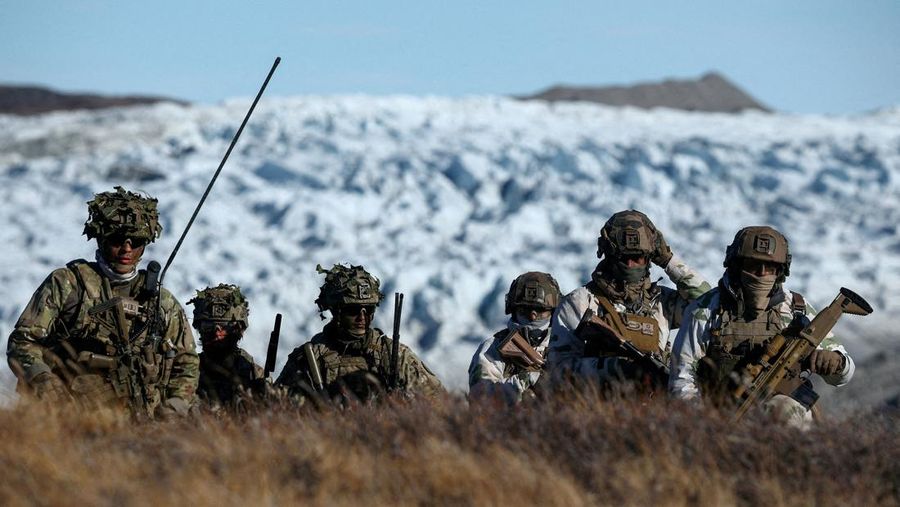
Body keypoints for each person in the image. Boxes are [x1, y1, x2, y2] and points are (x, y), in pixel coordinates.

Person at [7, 186, 199, 419]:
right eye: (118, 239)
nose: (127, 248)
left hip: (143, 424)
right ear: (101, 237)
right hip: (67, 419)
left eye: (136, 241)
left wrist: (174, 406)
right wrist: (44, 381)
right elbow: (23, 341)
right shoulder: (69, 284)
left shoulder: (161, 302)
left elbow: (186, 362)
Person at [669, 226, 854, 426]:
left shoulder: (795, 309)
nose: (762, 274)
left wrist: (836, 362)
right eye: (752, 266)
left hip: (783, 415)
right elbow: (682, 378)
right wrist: (703, 424)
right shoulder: (706, 310)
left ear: (781, 272)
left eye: (770, 268)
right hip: (721, 415)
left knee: (787, 411)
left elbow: (844, 375)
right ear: (736, 266)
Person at [547, 210, 710, 391]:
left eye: (637, 257)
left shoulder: (663, 302)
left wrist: (668, 260)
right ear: (609, 255)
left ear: (649, 258)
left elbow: (705, 302)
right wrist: (613, 368)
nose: (630, 265)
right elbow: (557, 371)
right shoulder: (580, 302)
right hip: (598, 408)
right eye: (623, 258)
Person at [276, 264, 444, 402]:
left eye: (369, 309)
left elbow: (439, 401)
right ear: (336, 311)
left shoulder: (394, 355)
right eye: (353, 310)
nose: (362, 317)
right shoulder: (310, 358)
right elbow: (279, 410)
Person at [468, 272, 561, 403]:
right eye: (525, 310)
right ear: (513, 309)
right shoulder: (493, 348)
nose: (533, 317)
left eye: (541, 311)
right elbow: (480, 399)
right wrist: (527, 380)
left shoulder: (565, 343)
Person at [189, 283, 269, 409]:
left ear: (239, 330)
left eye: (226, 327)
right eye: (209, 327)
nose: (217, 333)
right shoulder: (187, 373)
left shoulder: (252, 373)